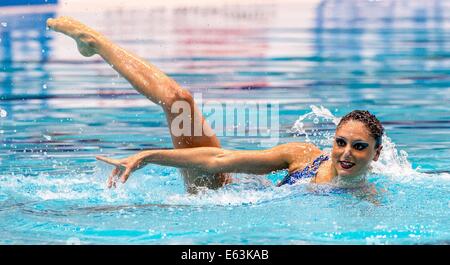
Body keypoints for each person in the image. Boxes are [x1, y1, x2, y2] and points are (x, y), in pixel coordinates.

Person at [46, 17, 384, 194]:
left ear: (375, 153)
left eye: (358, 147)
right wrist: (147, 156)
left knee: (178, 106)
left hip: (224, 212)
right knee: (180, 101)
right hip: (217, 190)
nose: (346, 153)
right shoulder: (303, 155)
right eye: (341, 142)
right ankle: (98, 43)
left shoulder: (363, 197)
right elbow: (219, 159)